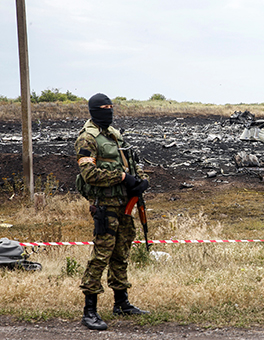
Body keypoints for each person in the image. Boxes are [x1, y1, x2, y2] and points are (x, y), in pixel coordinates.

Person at [74, 93, 150, 330]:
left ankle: (121, 302)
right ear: (94, 110)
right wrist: (122, 177)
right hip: (105, 206)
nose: (109, 110)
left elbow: (131, 163)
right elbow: (89, 175)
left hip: (124, 205)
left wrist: (140, 181)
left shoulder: (114, 135)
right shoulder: (87, 139)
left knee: (121, 252)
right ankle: (90, 310)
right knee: (101, 256)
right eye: (104, 107)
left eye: (111, 107)